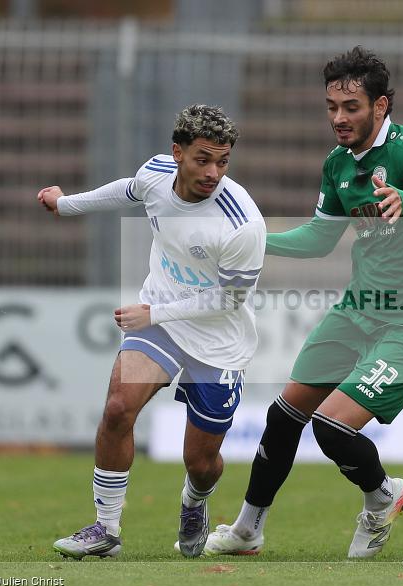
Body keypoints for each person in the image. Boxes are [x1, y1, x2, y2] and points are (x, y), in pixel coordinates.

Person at [202, 47, 403, 558]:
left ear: (381, 106)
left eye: (351, 107)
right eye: (332, 107)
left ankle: (379, 499)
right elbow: (317, 241)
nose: (339, 118)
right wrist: (249, 237)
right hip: (357, 311)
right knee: (284, 417)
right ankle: (246, 531)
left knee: (331, 424)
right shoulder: (337, 166)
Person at [37, 104, 265, 559]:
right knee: (119, 408)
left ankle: (195, 500)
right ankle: (105, 529)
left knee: (200, 463)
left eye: (223, 162)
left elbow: (228, 300)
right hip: (160, 319)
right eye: (203, 159)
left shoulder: (243, 224)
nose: (213, 172)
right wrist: (66, 204)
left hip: (217, 341)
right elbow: (129, 190)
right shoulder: (157, 174)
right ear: (177, 152)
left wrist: (153, 315)